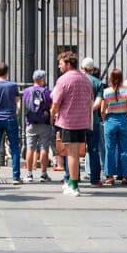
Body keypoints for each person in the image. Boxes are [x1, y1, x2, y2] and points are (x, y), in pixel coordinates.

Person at [51, 51, 92, 196]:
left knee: (72, 154)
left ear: (68, 64)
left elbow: (56, 102)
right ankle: (72, 182)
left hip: (68, 121)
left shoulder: (63, 80)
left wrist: (52, 114)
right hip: (82, 120)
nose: (59, 66)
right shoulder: (85, 79)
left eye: (61, 63)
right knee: (76, 153)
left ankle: (73, 185)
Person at [0, 62, 22, 185]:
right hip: (10, 117)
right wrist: (16, 112)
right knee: (14, 147)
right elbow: (18, 101)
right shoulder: (12, 85)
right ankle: (16, 177)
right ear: (7, 72)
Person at [101, 68, 127, 186]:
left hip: (110, 120)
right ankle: (124, 176)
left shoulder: (106, 92)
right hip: (123, 119)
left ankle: (109, 176)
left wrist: (105, 118)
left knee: (110, 149)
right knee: (124, 149)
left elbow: (103, 110)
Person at [23, 70, 53, 183]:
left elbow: (23, 106)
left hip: (31, 123)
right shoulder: (47, 92)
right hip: (44, 123)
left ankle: (29, 174)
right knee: (44, 148)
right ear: (42, 80)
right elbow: (51, 106)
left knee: (30, 148)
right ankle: (43, 174)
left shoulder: (26, 91)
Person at [81, 58, 104, 187]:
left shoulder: (78, 79)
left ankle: (71, 176)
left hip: (77, 119)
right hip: (92, 119)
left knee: (74, 148)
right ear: (92, 68)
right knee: (93, 149)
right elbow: (99, 101)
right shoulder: (97, 82)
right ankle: (95, 179)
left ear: (82, 67)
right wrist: (90, 110)